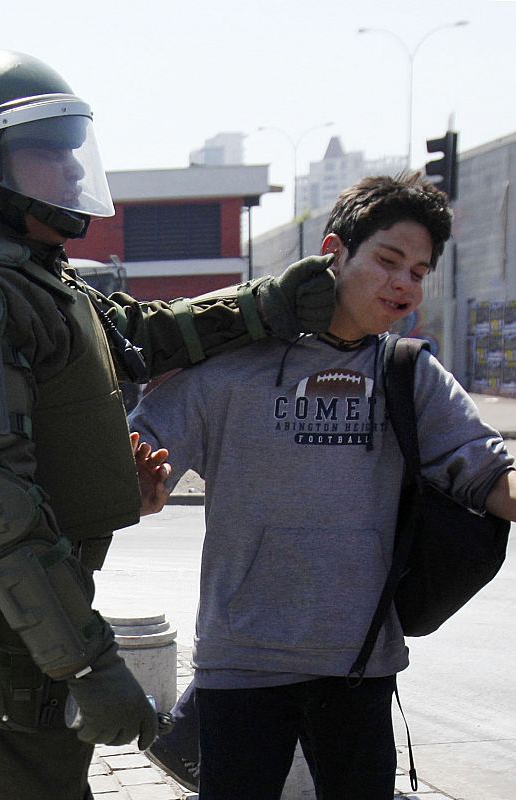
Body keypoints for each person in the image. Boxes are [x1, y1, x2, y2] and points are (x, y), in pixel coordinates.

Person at [0, 50, 336, 800]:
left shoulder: (25, 274)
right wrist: (87, 663)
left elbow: (132, 336)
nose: (65, 169)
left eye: (67, 147)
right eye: (40, 153)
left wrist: (262, 307)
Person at [129, 172, 516, 800]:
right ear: (334, 252)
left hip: (359, 669)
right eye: (389, 261)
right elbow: (139, 470)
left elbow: (490, 475)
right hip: (240, 666)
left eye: (419, 272)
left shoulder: (409, 375)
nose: (403, 284)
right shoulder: (230, 369)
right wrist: (141, 493)